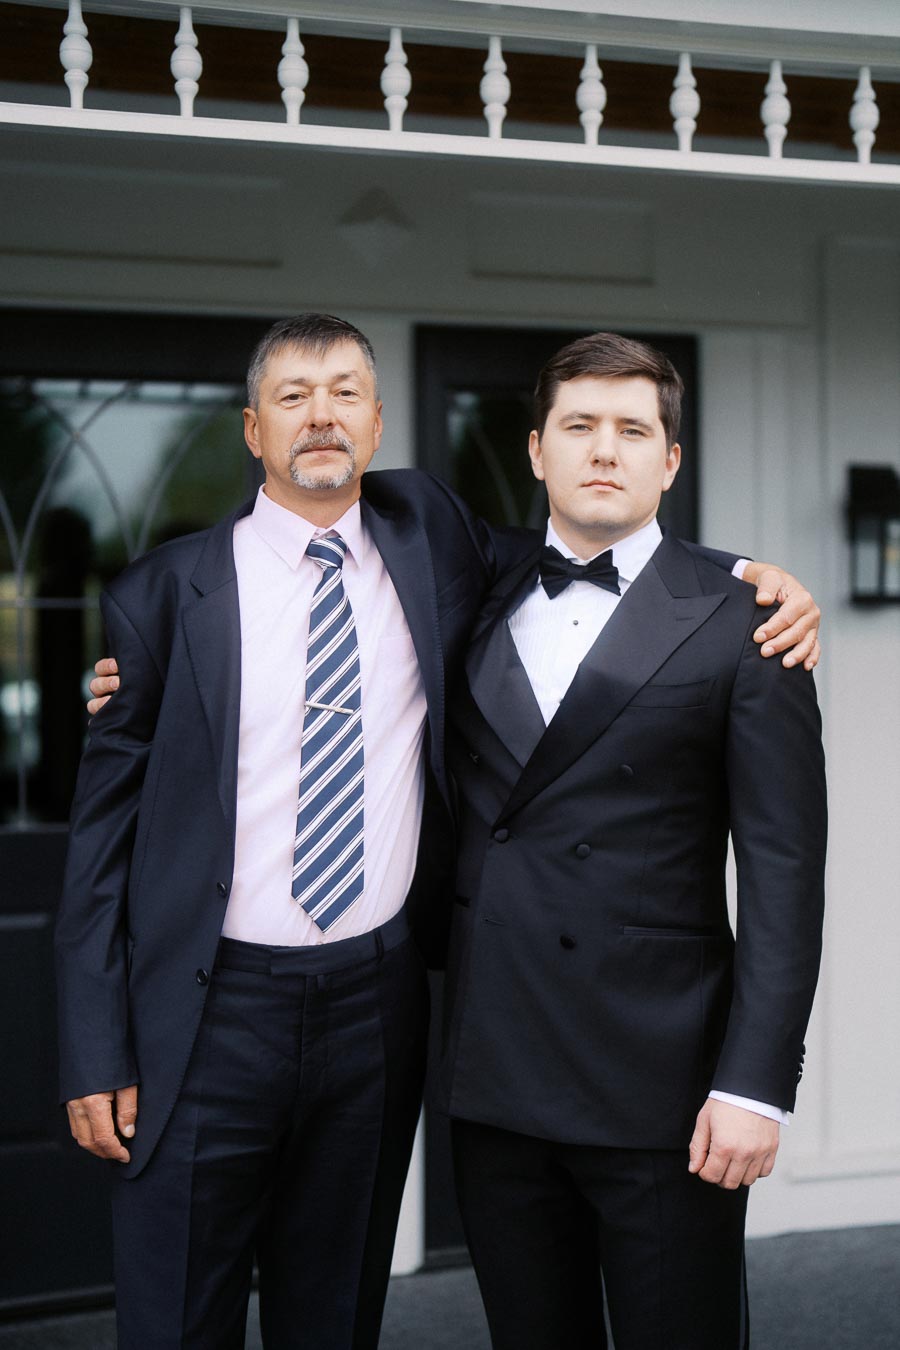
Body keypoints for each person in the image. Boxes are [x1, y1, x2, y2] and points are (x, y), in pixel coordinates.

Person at [70, 315, 820, 1349]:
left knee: (334, 1313)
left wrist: (760, 578)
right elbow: (100, 845)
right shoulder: (167, 598)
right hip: (254, 1018)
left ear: (379, 425)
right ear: (251, 428)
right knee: (177, 1318)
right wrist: (92, 1045)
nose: (321, 415)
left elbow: (781, 868)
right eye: (293, 396)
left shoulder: (446, 545)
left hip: (436, 1023)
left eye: (345, 394)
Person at [439, 332, 827, 1350]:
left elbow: (786, 876)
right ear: (535, 450)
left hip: (668, 1086)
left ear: (670, 460)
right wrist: (146, 677)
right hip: (500, 1073)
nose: (603, 449)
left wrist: (755, 1085)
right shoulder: (471, 595)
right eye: (579, 426)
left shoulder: (748, 619)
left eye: (631, 429)